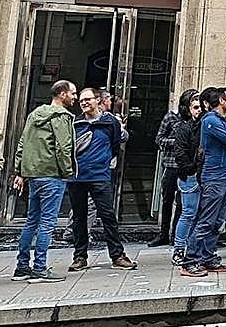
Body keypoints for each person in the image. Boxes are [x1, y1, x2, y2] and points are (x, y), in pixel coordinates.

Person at [12, 80, 78, 282]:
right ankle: (40, 268)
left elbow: (22, 143)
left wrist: (20, 171)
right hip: (52, 175)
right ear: (62, 94)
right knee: (47, 223)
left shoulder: (35, 114)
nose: (75, 97)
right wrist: (67, 172)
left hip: (34, 175)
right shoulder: (61, 116)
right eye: (73, 93)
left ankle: (22, 267)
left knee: (31, 221)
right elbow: (63, 147)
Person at [67, 88, 137, 272]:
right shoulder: (75, 122)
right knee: (79, 218)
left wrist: (103, 161)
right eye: (81, 100)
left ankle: (117, 255)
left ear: (97, 100)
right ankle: (80, 256)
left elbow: (115, 144)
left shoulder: (109, 122)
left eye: (88, 99)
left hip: (99, 176)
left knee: (108, 216)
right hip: (76, 177)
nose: (84, 103)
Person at [182, 87, 226, 276]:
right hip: (214, 178)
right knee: (206, 220)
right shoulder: (211, 121)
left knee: (217, 222)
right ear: (221, 101)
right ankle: (190, 261)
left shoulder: (221, 121)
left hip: (225, 176)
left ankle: (207, 257)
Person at [148, 89, 195, 248]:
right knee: (167, 200)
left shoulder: (195, 121)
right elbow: (159, 139)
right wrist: (176, 142)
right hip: (171, 165)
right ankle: (163, 234)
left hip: (186, 167)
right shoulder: (171, 117)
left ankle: (177, 235)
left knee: (182, 203)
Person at [171, 91, 204, 265]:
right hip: (190, 176)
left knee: (199, 214)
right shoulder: (184, 128)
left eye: (201, 107)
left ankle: (193, 248)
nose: (199, 110)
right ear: (189, 109)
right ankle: (179, 249)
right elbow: (180, 153)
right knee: (188, 213)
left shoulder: (205, 126)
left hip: (202, 175)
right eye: (195, 107)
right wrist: (192, 170)